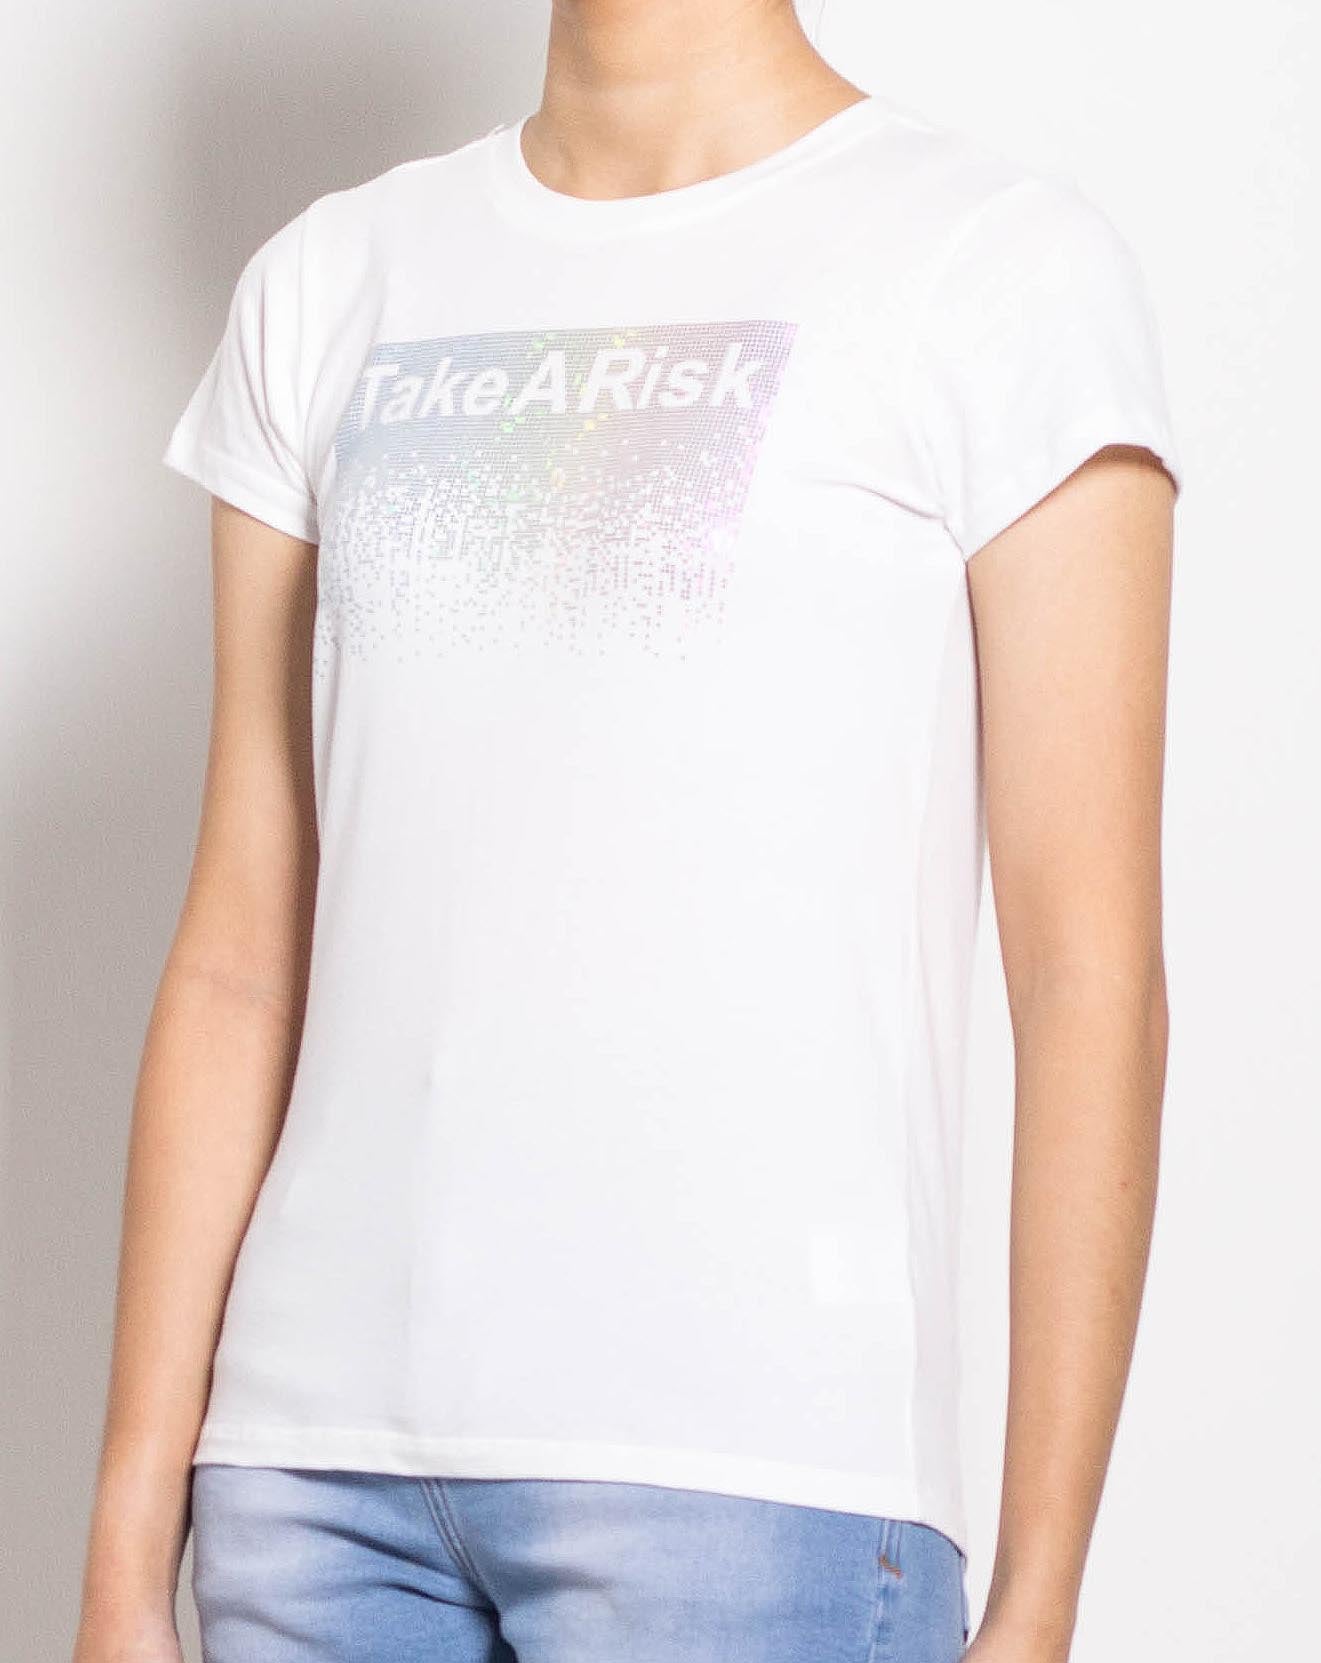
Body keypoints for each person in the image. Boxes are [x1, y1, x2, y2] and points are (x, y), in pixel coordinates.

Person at [74, 2, 1182, 1660]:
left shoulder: (992, 265)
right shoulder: (329, 279)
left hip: (753, 1484)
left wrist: (1041, 1595)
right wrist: (122, 1549)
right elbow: (242, 948)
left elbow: (1087, 969)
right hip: (308, 1487)